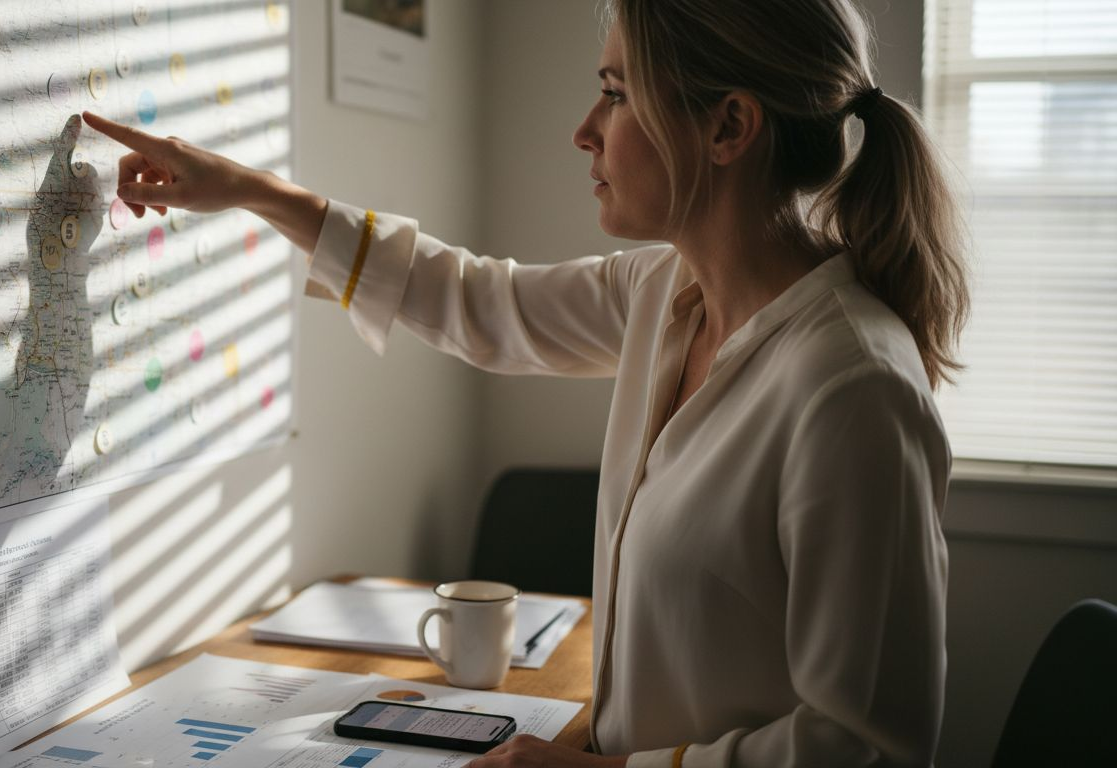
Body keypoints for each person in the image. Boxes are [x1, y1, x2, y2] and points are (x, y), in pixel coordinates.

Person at [82, 0, 969, 764]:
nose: (585, 128)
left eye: (617, 94)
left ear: (728, 128)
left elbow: (870, 747)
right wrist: (250, 191)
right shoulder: (667, 294)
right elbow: (472, 300)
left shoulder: (852, 388)